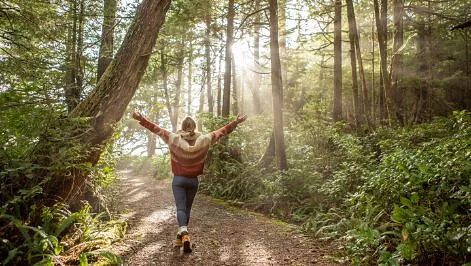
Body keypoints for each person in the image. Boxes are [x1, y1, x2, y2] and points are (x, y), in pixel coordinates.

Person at [132, 112, 247, 252]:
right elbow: (222, 132)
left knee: (181, 209)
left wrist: (141, 119)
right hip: (193, 181)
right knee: (187, 210)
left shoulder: (173, 138)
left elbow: (156, 129)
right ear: (194, 126)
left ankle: (184, 233)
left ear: (182, 127)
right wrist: (236, 122)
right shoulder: (205, 139)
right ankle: (180, 239)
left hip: (178, 180)